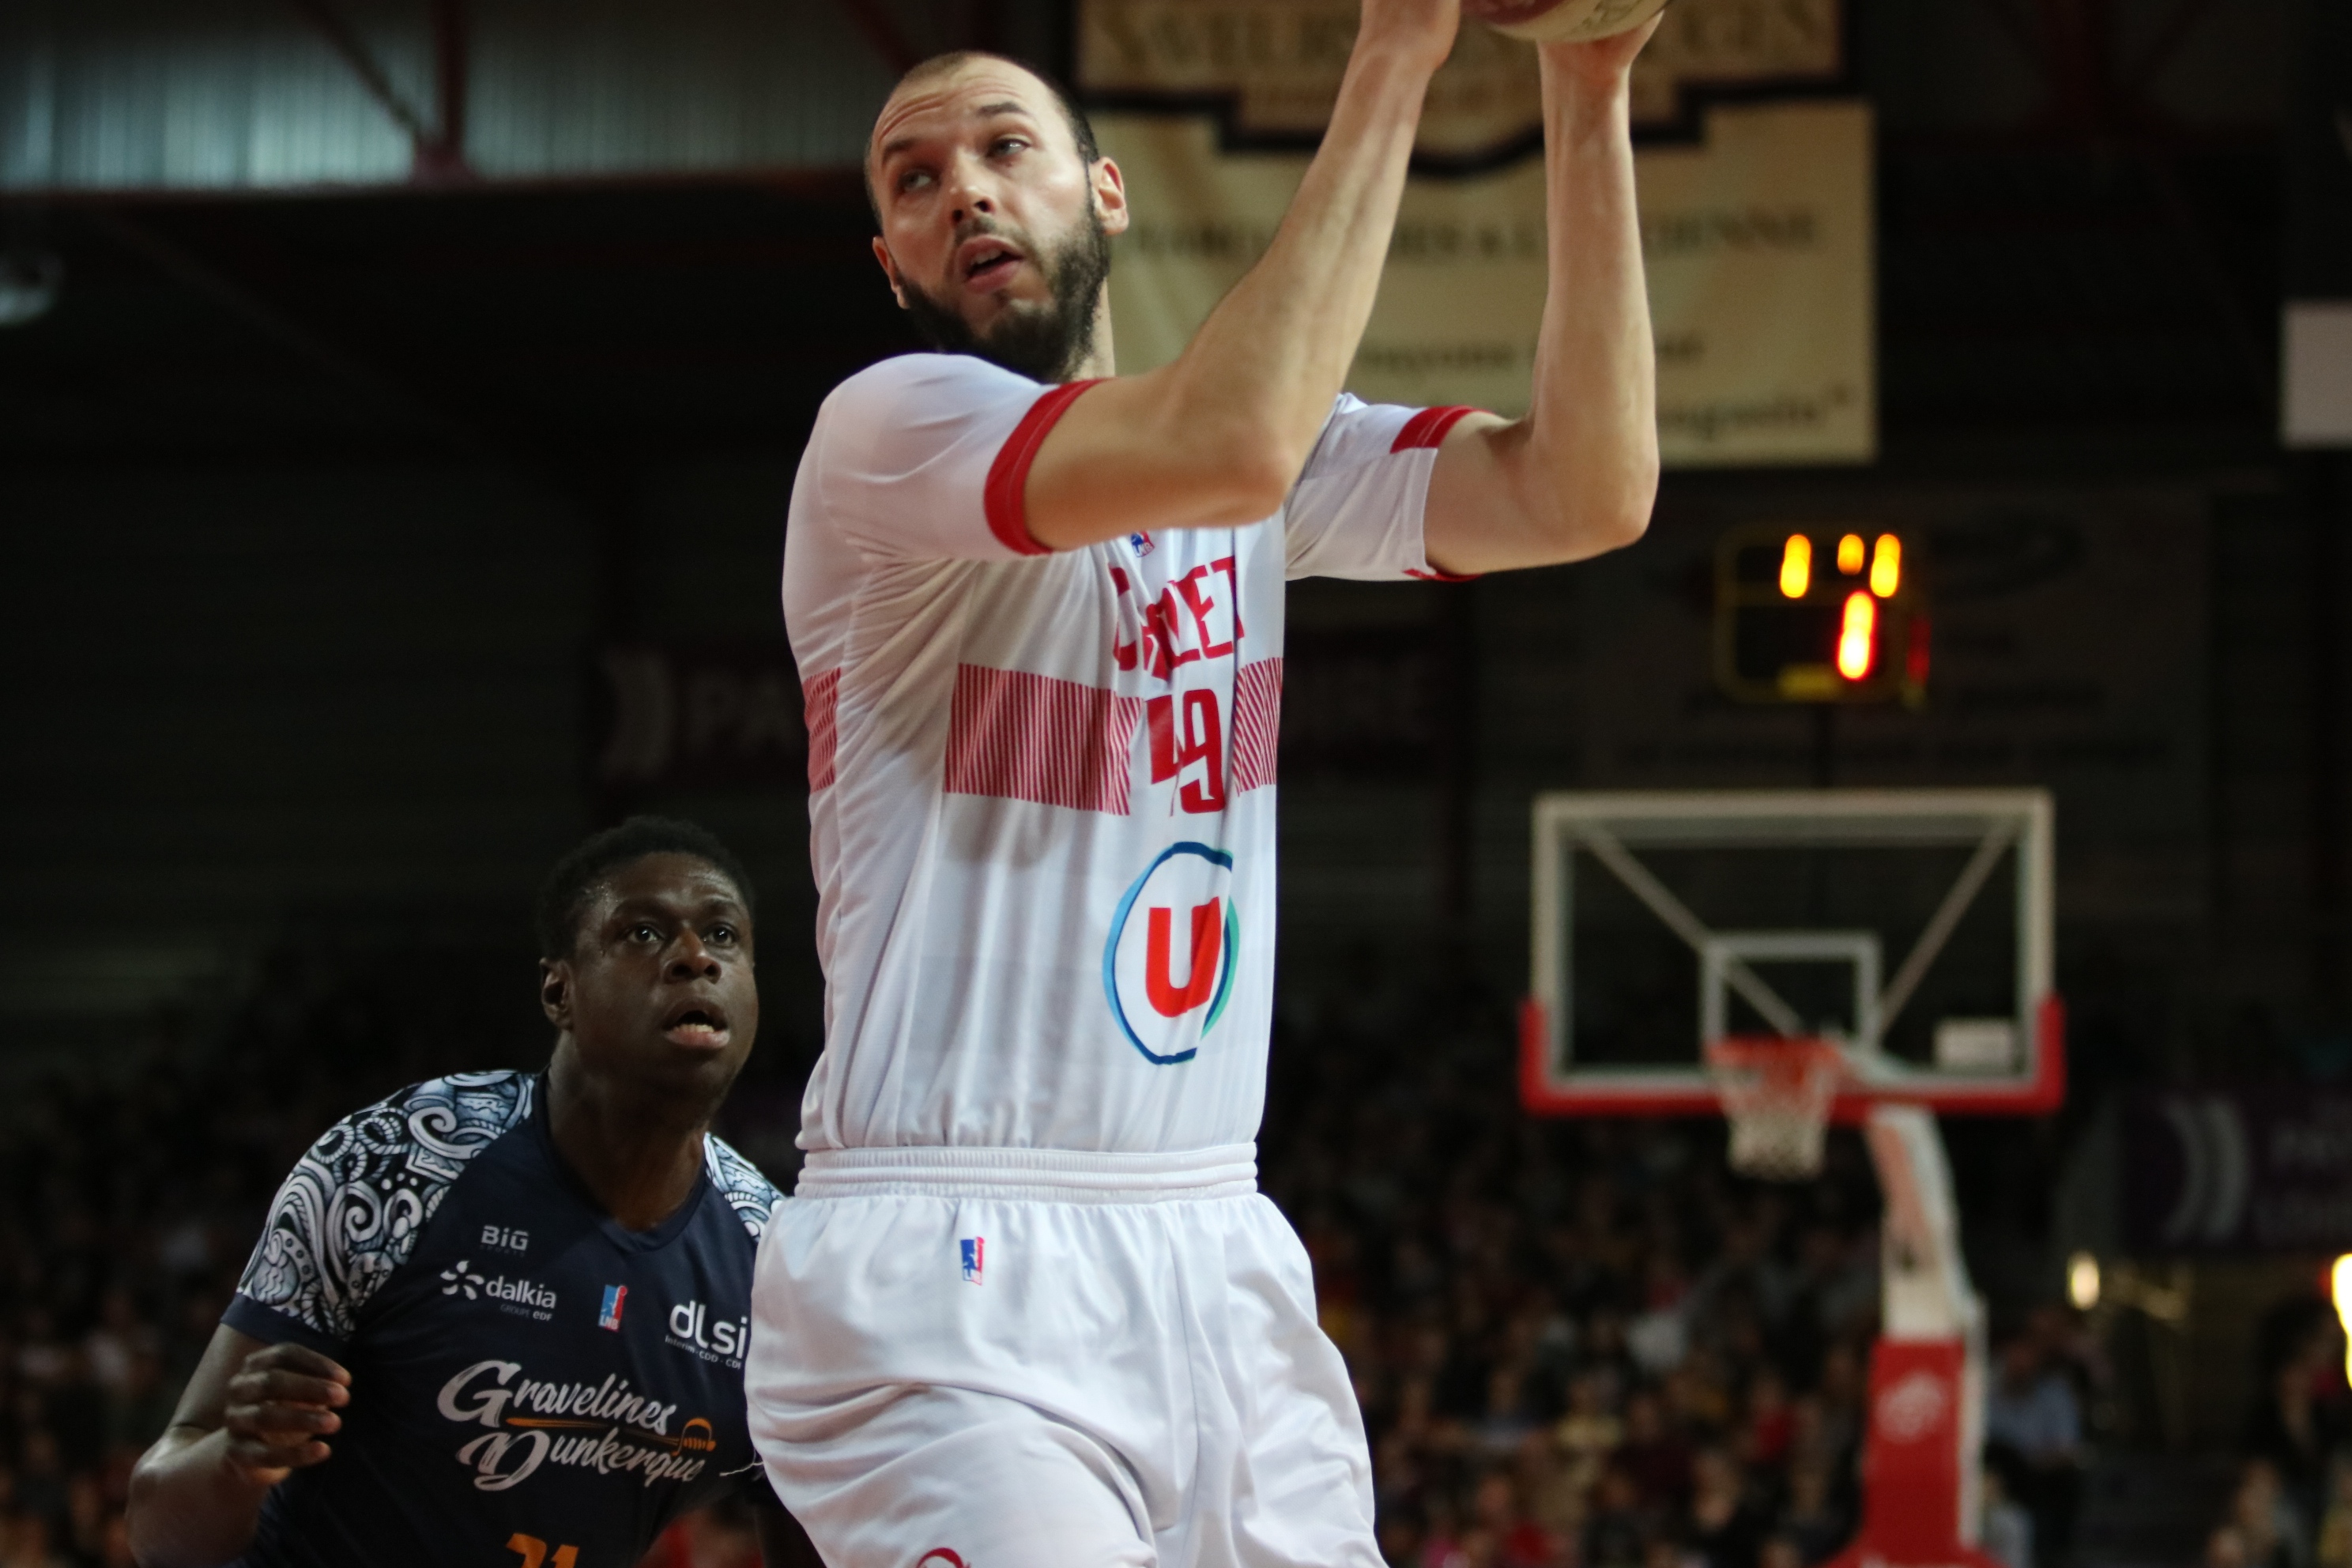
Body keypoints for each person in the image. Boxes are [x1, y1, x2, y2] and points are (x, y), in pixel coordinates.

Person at [744, 0, 1661, 1560]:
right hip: (948, 1257)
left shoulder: (1252, 461)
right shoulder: (886, 433)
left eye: (1005, 148)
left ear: (1107, 195)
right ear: (892, 265)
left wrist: (1587, 80)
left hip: (1213, 1235)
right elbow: (1235, 432)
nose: (962, 188)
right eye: (913, 179)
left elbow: (1586, 487)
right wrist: (1400, 44)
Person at [126, 818, 815, 1568]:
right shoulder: (398, 1163)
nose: (693, 957)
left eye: (722, 935)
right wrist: (238, 1458)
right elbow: (158, 1532)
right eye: (644, 935)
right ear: (560, 991)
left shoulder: (773, 1265)